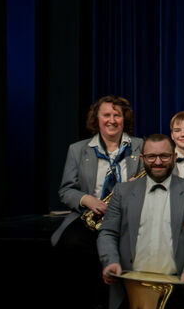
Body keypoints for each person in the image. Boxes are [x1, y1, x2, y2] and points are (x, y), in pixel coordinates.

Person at [98, 133, 184, 309]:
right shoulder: (122, 191)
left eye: (164, 156)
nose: (158, 162)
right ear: (142, 159)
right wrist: (110, 261)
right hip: (129, 287)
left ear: (174, 157)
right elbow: (108, 232)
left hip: (178, 288)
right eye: (151, 156)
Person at [52, 95, 144, 250]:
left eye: (117, 115)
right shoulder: (77, 150)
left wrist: (140, 186)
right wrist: (87, 199)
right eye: (106, 115)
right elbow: (66, 190)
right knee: (72, 243)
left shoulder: (141, 146)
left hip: (130, 218)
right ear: (96, 118)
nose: (112, 120)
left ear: (125, 119)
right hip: (90, 217)